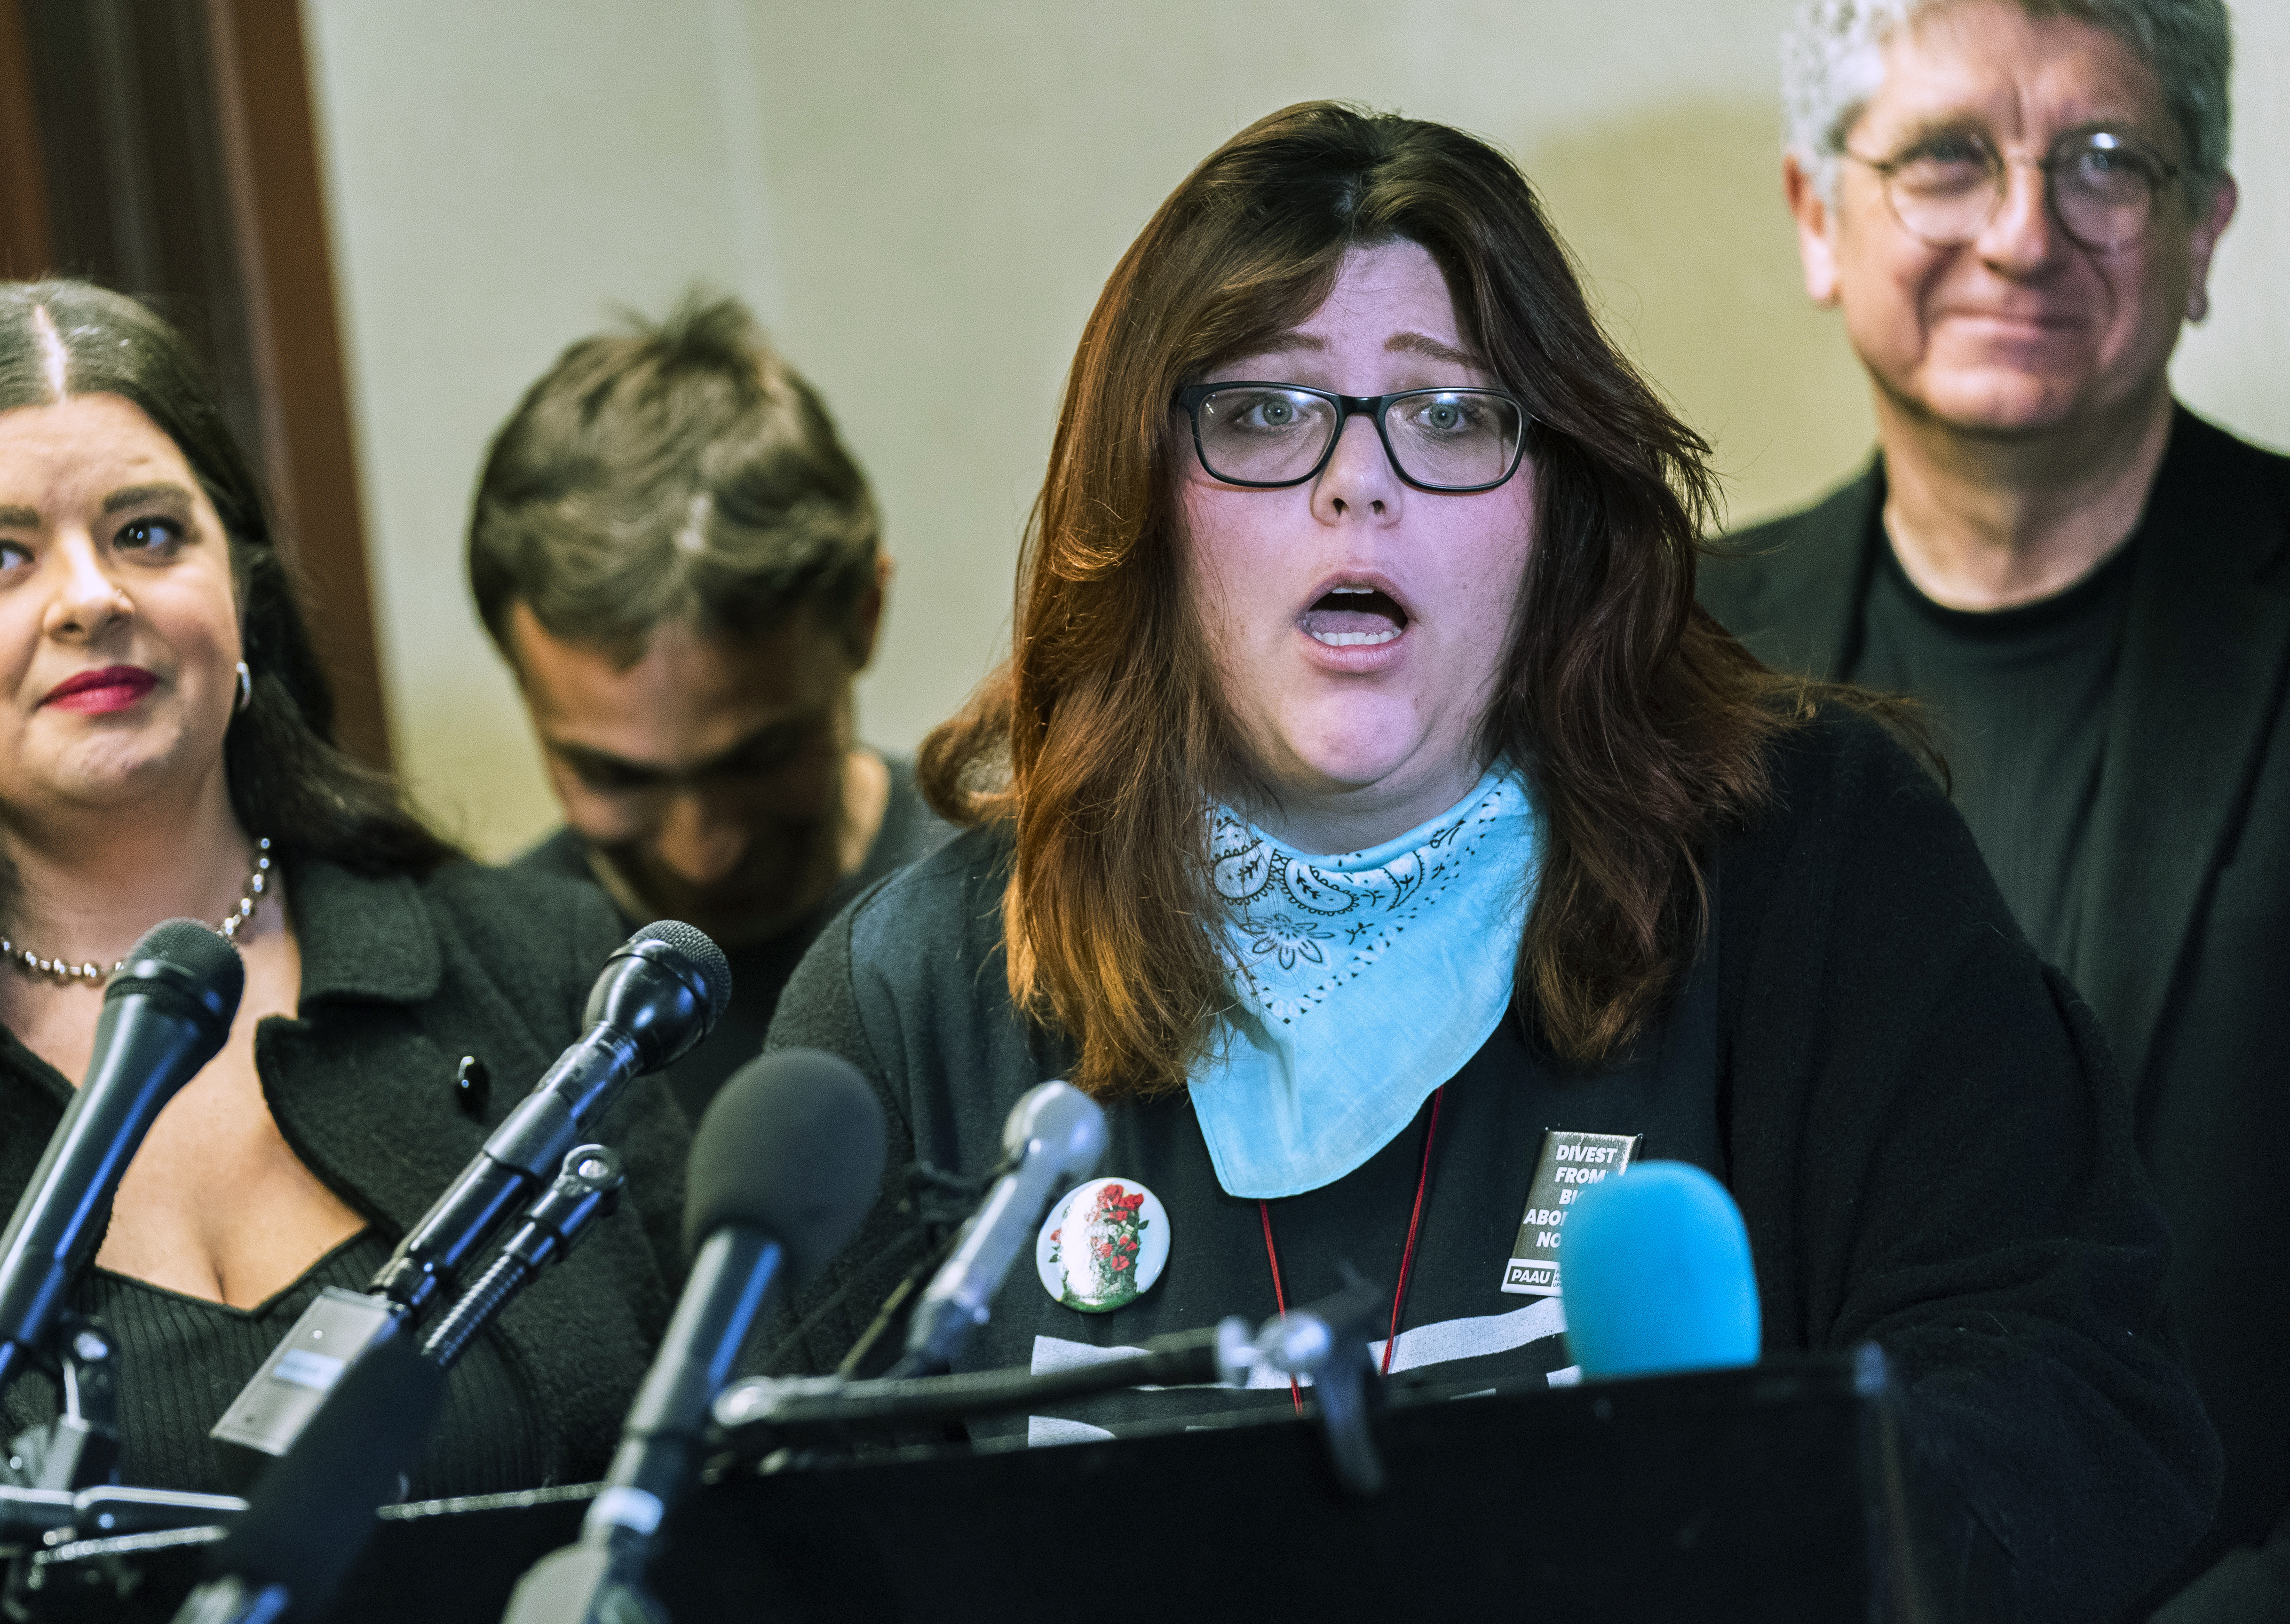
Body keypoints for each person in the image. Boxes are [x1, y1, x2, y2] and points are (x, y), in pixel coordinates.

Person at [765, 103, 2219, 1621]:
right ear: (1141, 502)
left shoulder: (1810, 866)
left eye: (1450, 415)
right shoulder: (921, 992)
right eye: (1264, 413)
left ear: (1554, 511)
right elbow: (771, 1556)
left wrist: (1765, 1526)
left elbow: (2073, 1403)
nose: (1357, 484)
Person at [0, 281, 693, 1497]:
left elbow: (726, 1502)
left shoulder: (543, 970)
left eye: (147, 531)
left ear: (241, 584)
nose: (90, 596)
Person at [1701, 3, 2284, 1614]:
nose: (2024, 236)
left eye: (2105, 162)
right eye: (1947, 158)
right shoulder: (1661, 663)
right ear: (1820, 218)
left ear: (2202, 228)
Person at [468, 296, 944, 1126]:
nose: (703, 855)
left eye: (758, 758)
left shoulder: (1025, 912)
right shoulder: (484, 1003)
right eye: (615, 777)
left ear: (864, 615)